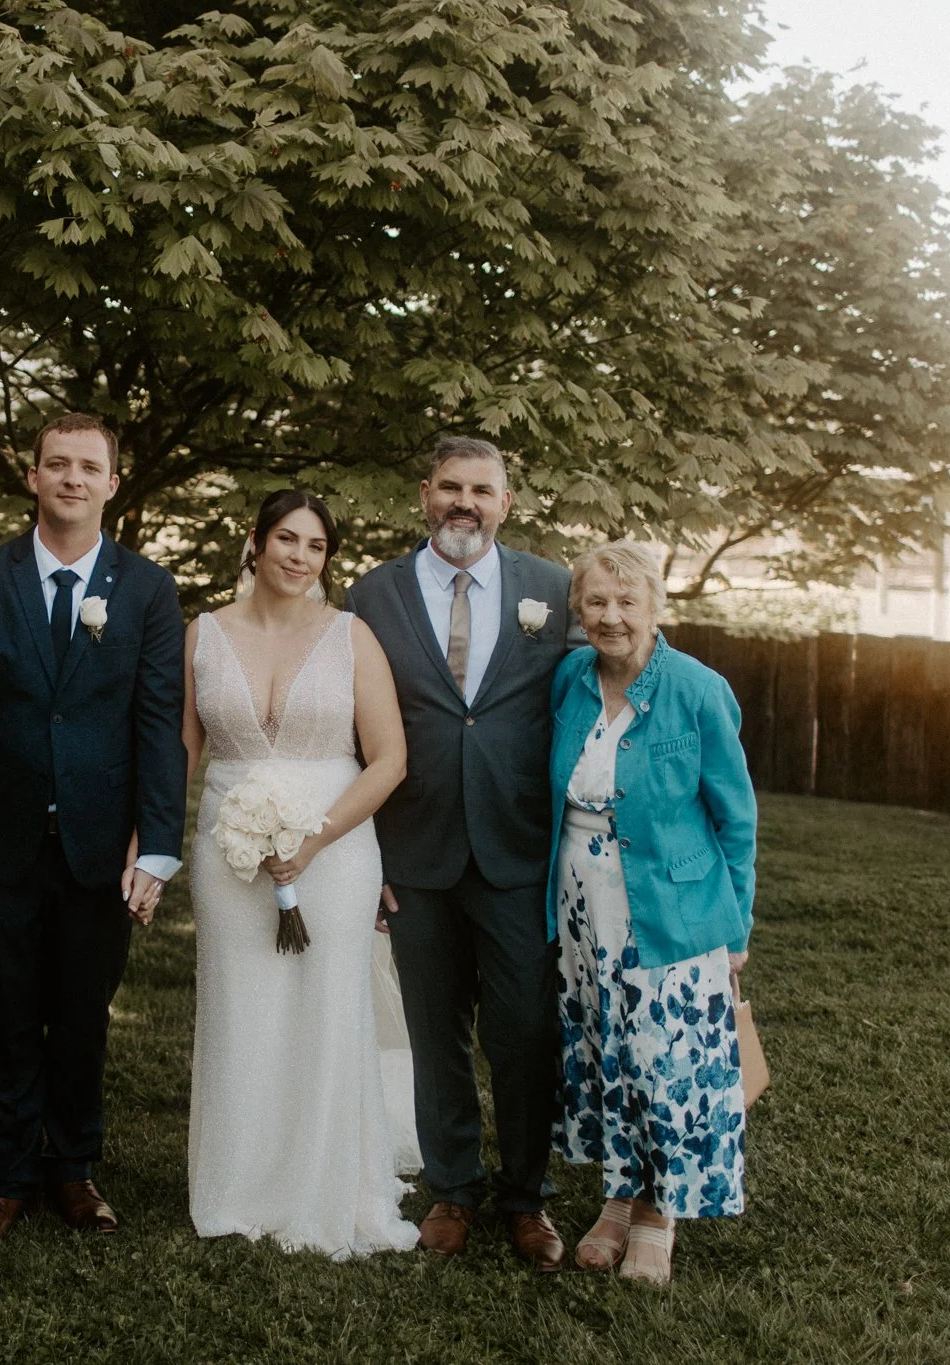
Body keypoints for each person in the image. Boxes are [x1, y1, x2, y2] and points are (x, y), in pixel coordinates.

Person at [0, 412, 189, 1247]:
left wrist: (158, 843)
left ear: (113, 483)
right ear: (33, 476)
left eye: (89, 467)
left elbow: (158, 724)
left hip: (97, 847)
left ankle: (73, 1169)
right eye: (57, 464)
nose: (72, 479)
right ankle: (9, 1176)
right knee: (6, 1013)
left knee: (82, 1012)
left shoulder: (146, 589)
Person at [345, 435, 577, 1268]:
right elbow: (346, 733)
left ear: (506, 503)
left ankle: (525, 1195)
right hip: (414, 852)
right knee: (433, 1029)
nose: (464, 503)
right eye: (450, 486)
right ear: (424, 493)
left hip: (520, 852)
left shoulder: (553, 588)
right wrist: (364, 858)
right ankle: (452, 1187)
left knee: (522, 1031)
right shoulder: (372, 595)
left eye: (483, 489)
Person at [183, 489, 421, 1258]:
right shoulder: (204, 634)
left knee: (325, 1006)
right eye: (286, 538)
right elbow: (183, 755)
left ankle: (323, 1182)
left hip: (338, 847)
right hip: (229, 850)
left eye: (315, 546)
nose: (298, 556)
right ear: (254, 542)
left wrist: (315, 840)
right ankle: (241, 1184)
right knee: (241, 1006)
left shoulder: (353, 636)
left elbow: (389, 759)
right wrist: (147, 842)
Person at [549, 541, 756, 1285]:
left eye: (627, 602)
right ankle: (613, 1201)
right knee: (606, 1055)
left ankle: (658, 1216)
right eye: (596, 602)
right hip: (581, 908)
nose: (611, 617)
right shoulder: (571, 680)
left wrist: (735, 928)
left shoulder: (698, 690)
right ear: (579, 610)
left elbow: (737, 819)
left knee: (662, 1062)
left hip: (670, 909)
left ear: (656, 608)